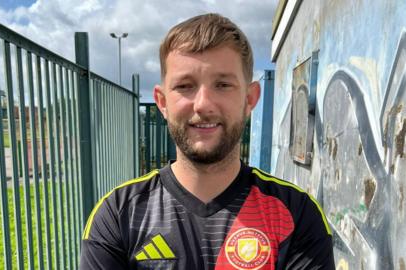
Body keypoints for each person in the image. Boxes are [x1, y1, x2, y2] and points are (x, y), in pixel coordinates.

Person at [80, 13, 334, 269]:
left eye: (222, 85)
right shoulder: (119, 214)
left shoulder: (297, 214)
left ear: (250, 99)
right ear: (162, 101)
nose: (203, 104)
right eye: (185, 86)